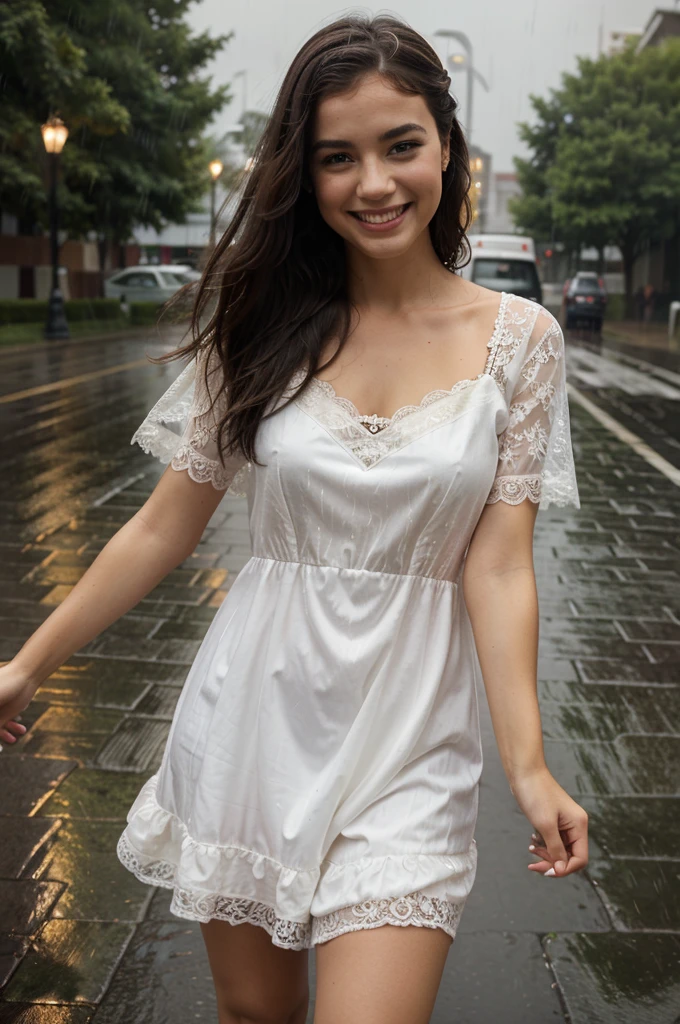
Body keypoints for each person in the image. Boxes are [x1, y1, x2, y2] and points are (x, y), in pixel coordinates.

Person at [0, 14, 587, 1024]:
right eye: (336, 157)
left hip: (411, 744)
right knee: (255, 1016)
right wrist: (22, 665)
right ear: (302, 175)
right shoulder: (259, 324)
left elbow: (497, 568)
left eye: (399, 145)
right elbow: (160, 526)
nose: (373, 182)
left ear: (445, 146)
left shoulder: (519, 342)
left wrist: (527, 763)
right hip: (253, 728)